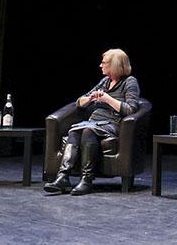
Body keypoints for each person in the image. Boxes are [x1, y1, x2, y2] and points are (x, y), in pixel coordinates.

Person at [44, 49, 142, 195]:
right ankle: (63, 176)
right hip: (93, 122)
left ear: (114, 64)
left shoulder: (129, 82)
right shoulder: (105, 81)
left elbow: (130, 109)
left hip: (112, 123)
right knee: (75, 130)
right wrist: (90, 98)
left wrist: (107, 98)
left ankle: (86, 180)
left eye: (104, 63)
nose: (100, 65)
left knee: (88, 130)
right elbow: (79, 102)